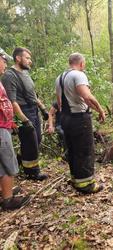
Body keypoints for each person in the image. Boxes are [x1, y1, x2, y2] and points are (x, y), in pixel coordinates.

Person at [56, 53, 106, 194]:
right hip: (79, 119)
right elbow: (87, 96)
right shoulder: (78, 75)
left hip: (65, 118)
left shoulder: (60, 78)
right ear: (81, 63)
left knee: (72, 149)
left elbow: (60, 103)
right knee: (85, 150)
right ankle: (87, 184)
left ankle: (76, 179)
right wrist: (101, 110)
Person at [1, 47, 48, 181]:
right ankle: (32, 172)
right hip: (22, 111)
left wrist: (43, 109)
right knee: (30, 142)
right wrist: (24, 119)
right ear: (18, 58)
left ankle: (22, 159)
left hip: (33, 109)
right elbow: (12, 100)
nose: (30, 61)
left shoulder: (25, 74)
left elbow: (33, 95)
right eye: (27, 58)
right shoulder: (10, 76)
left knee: (37, 139)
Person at [0, 48, 30, 210]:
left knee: (3, 162)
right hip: (0, 129)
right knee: (7, 162)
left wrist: (11, 122)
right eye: (2, 60)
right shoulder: (8, 77)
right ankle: (8, 200)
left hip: (4, 125)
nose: (5, 62)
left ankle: (4, 190)